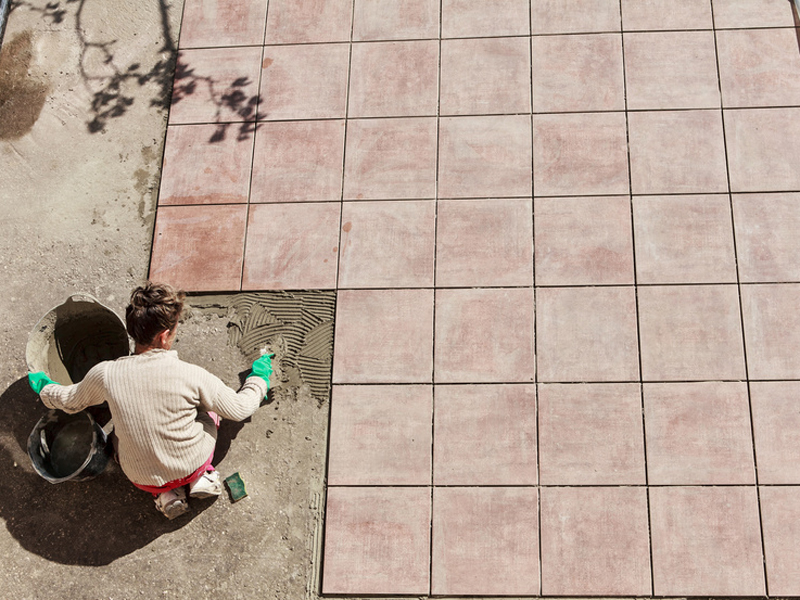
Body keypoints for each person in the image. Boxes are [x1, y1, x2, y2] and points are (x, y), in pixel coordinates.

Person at [27, 282, 274, 519]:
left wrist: (45, 387)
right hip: (192, 463)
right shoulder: (192, 375)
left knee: (118, 436)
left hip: (140, 478)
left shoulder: (105, 374)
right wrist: (259, 378)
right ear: (165, 336)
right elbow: (240, 408)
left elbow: (70, 400)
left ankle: (166, 495)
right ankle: (202, 478)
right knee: (209, 409)